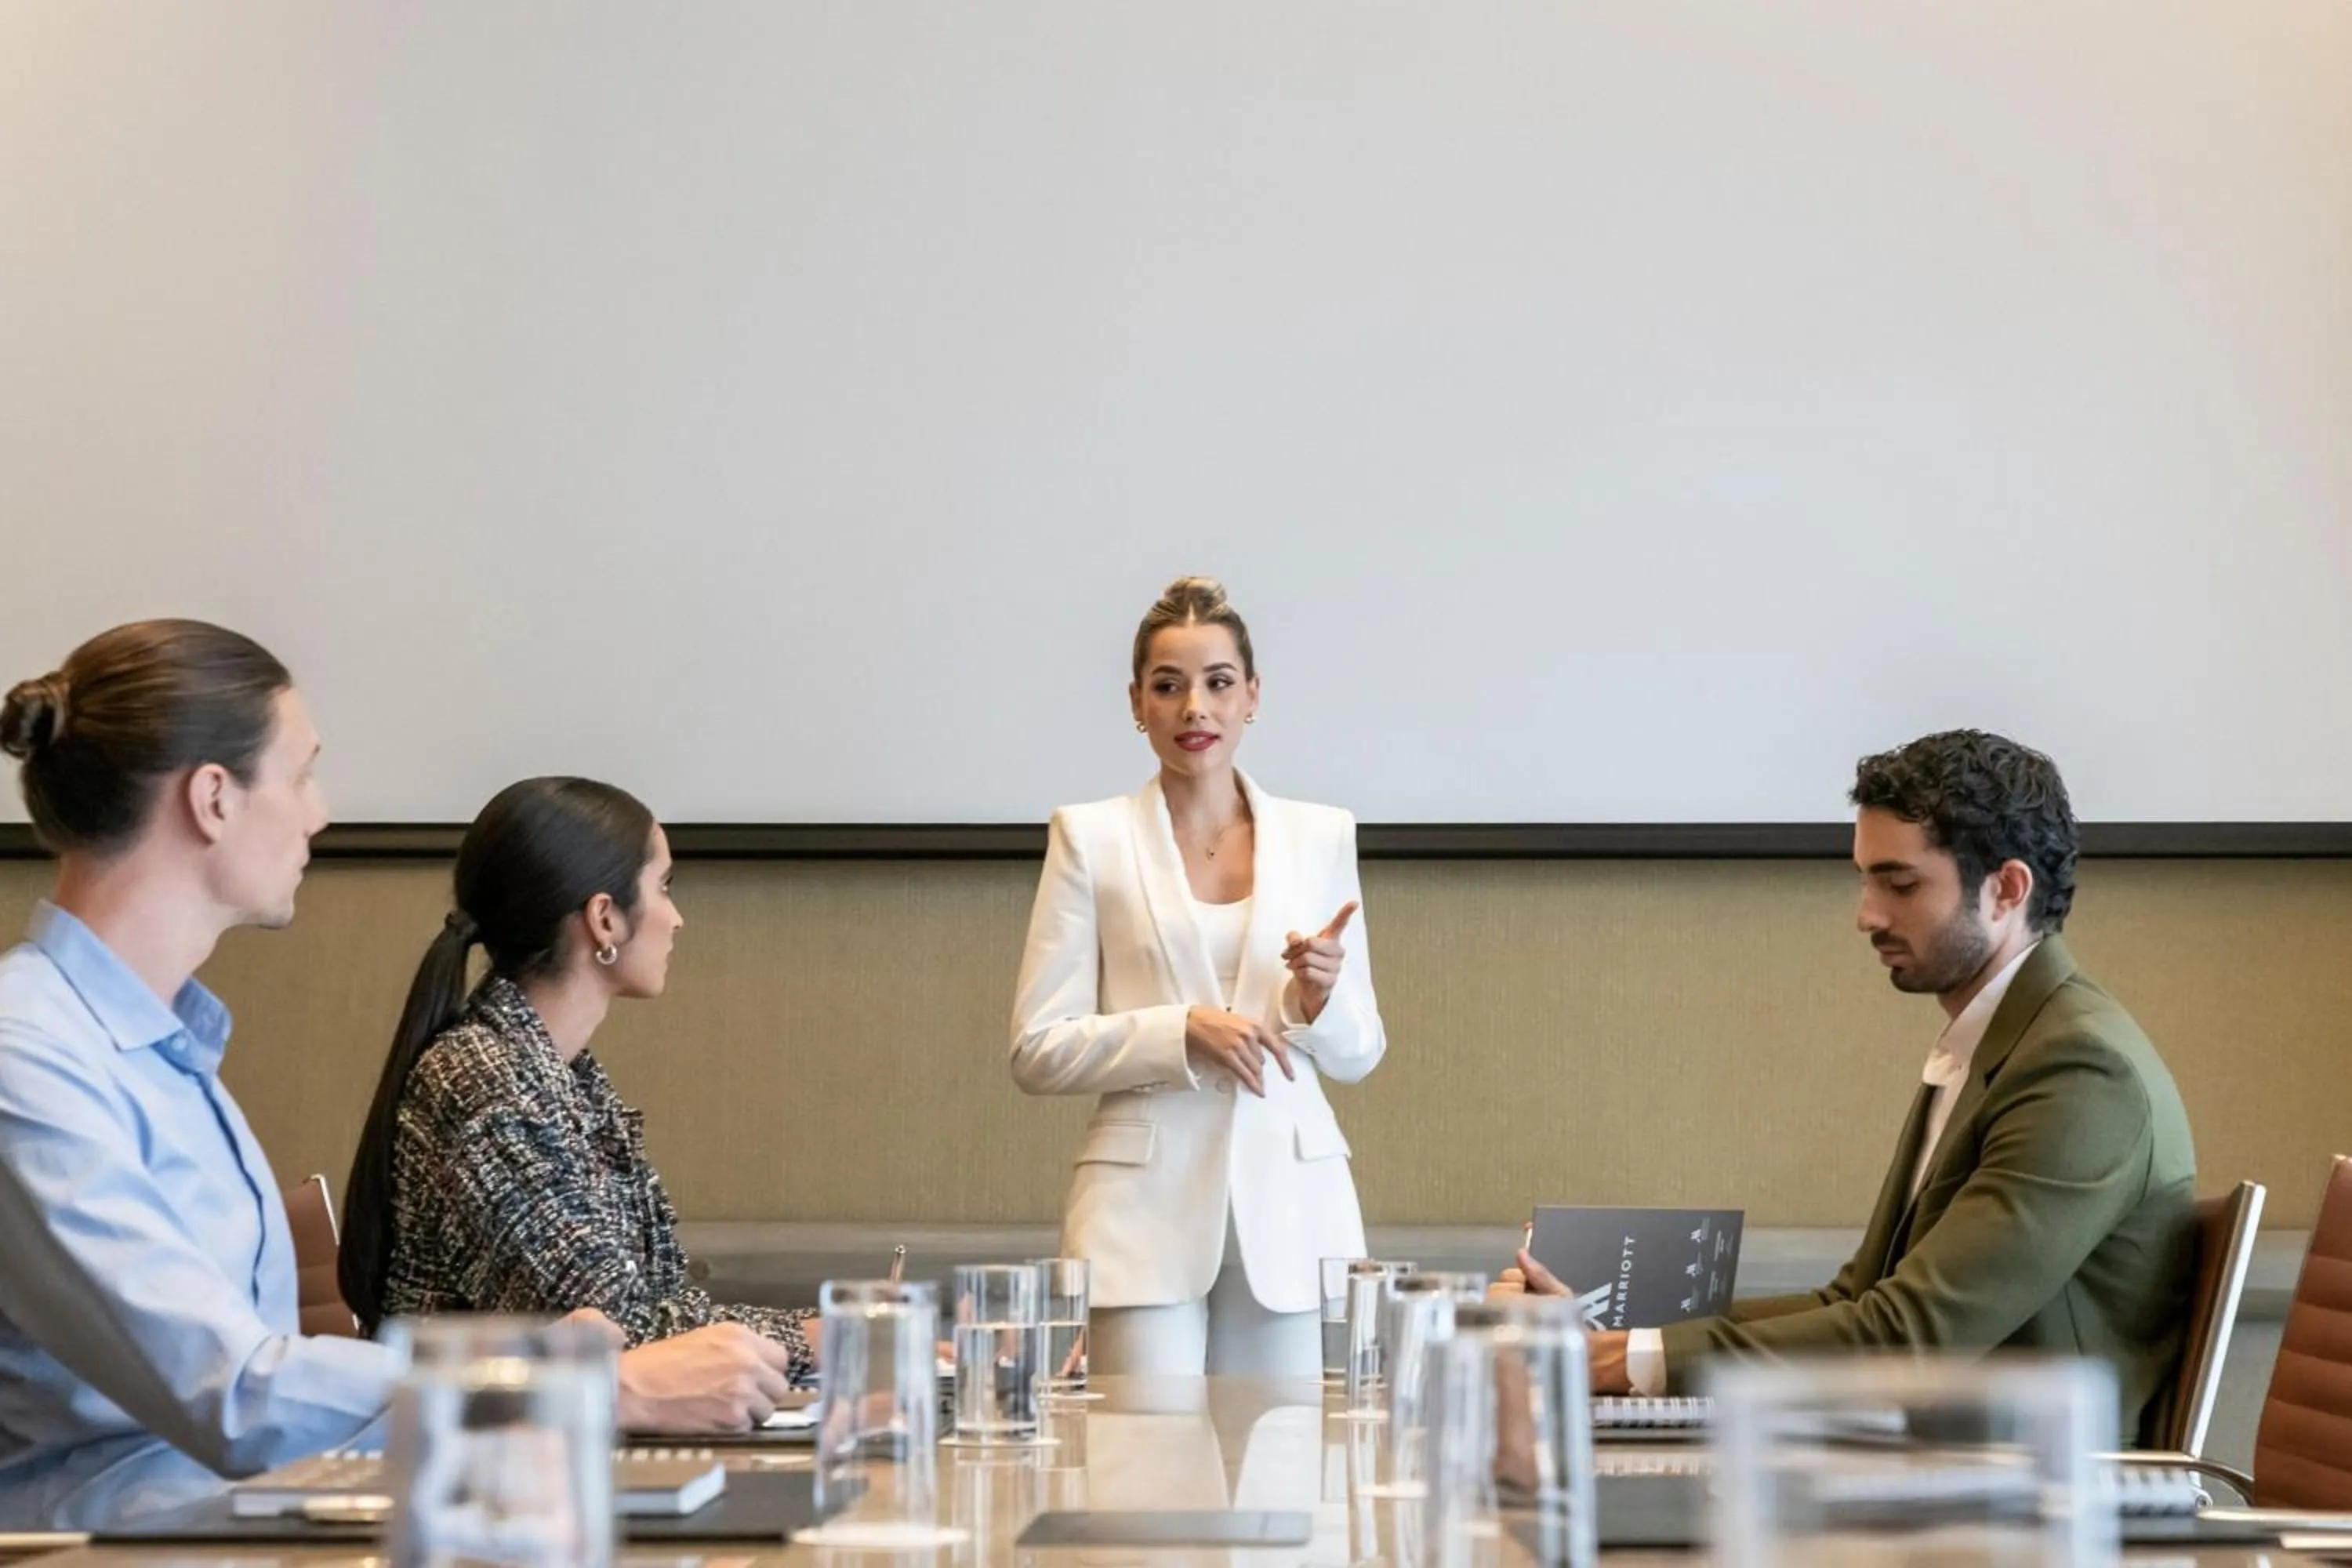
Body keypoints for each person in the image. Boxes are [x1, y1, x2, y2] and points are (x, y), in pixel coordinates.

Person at [0, 622, 794, 1530]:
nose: (318, 812)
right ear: (213, 797)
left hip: (247, 1524)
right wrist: (580, 1384)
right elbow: (229, 1389)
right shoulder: (27, 1058)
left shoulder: (165, 1053)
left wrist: (535, 1358)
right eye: (300, 774)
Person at [1499, 730, 2196, 1437]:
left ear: (2007, 890)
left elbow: (1909, 1336)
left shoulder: (2081, 1073)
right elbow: (1860, 1298)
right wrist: (1606, 1333)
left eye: (1901, 885)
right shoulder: (2004, 1043)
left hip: (2020, 1511)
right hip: (1927, 1474)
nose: (1867, 915)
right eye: (1865, 881)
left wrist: (1619, 1360)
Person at [1010, 576, 1385, 1377]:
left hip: (1291, 1206)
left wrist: (1315, 999)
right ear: (1137, 701)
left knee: (1283, 1482)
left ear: (1253, 695)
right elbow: (1038, 1048)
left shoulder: (1321, 836)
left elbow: (1359, 1052)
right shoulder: (1090, 838)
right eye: (1168, 686)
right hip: (1140, 1213)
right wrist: (1180, 1029)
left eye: (1218, 683)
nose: (1195, 709)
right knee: (1141, 1484)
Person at [339, 776, 818, 1380]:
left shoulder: (564, 1077)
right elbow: (620, 1334)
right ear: (604, 919)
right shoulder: (485, 1086)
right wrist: (829, 1342)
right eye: (664, 887)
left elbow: (658, 1309)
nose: (677, 919)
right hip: (490, 1463)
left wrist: (821, 1334)